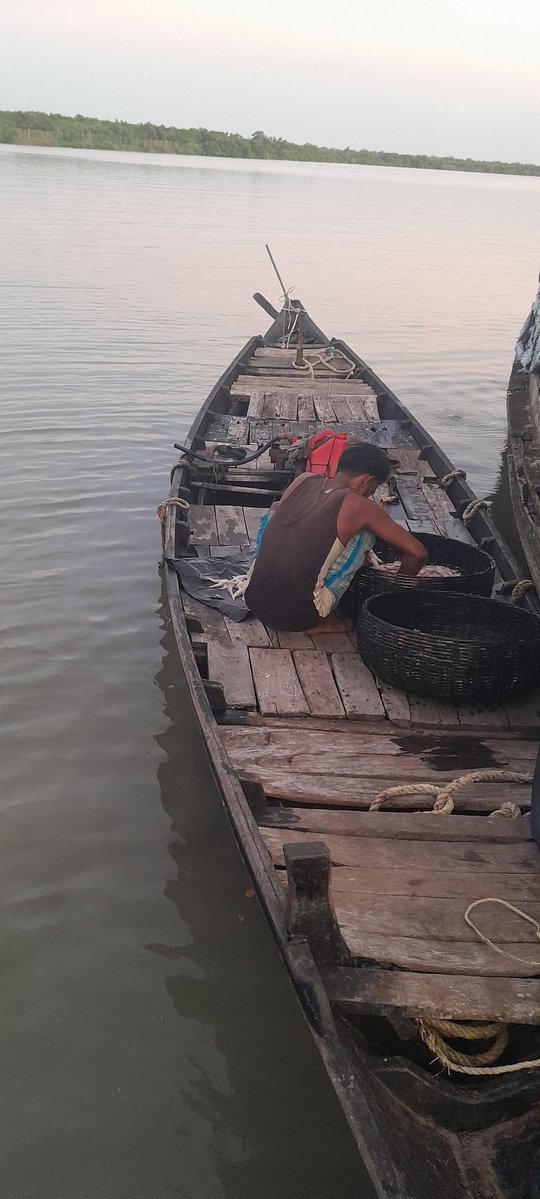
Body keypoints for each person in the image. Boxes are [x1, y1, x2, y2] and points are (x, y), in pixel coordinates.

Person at [244, 442, 427, 633]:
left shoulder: (303, 479)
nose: (368, 496)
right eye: (371, 491)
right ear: (366, 481)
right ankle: (321, 621)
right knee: (366, 532)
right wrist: (395, 592)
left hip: (254, 598)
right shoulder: (359, 506)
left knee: (284, 514)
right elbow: (418, 553)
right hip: (299, 616)